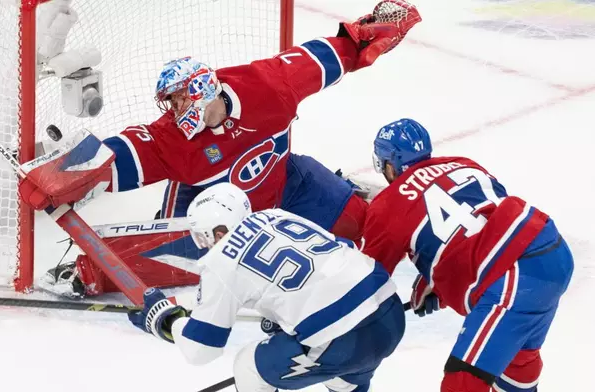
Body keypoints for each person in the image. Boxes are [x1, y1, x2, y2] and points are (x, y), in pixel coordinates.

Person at [36, 0, 423, 298]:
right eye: (170, 104)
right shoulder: (171, 137)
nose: (174, 111)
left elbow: (333, 54)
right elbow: (117, 156)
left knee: (367, 225)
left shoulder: (268, 85)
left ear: (203, 93)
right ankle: (86, 271)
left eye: (179, 101)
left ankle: (364, 201)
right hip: (208, 208)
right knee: (168, 261)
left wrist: (368, 33)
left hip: (285, 181)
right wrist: (60, 173)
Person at [360, 118, 573, 391]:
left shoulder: (387, 205)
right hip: (552, 250)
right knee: (517, 360)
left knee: (462, 382)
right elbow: (482, 219)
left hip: (514, 276)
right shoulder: (464, 162)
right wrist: (438, 279)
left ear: (389, 164)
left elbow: (367, 281)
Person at [128, 183, 405, 392]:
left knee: (248, 367)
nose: (204, 245)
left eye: (203, 236)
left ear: (219, 232)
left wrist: (166, 322)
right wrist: (285, 315)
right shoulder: (278, 215)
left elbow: (201, 349)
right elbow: (343, 250)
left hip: (344, 339)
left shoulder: (221, 259)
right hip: (390, 312)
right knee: (341, 377)